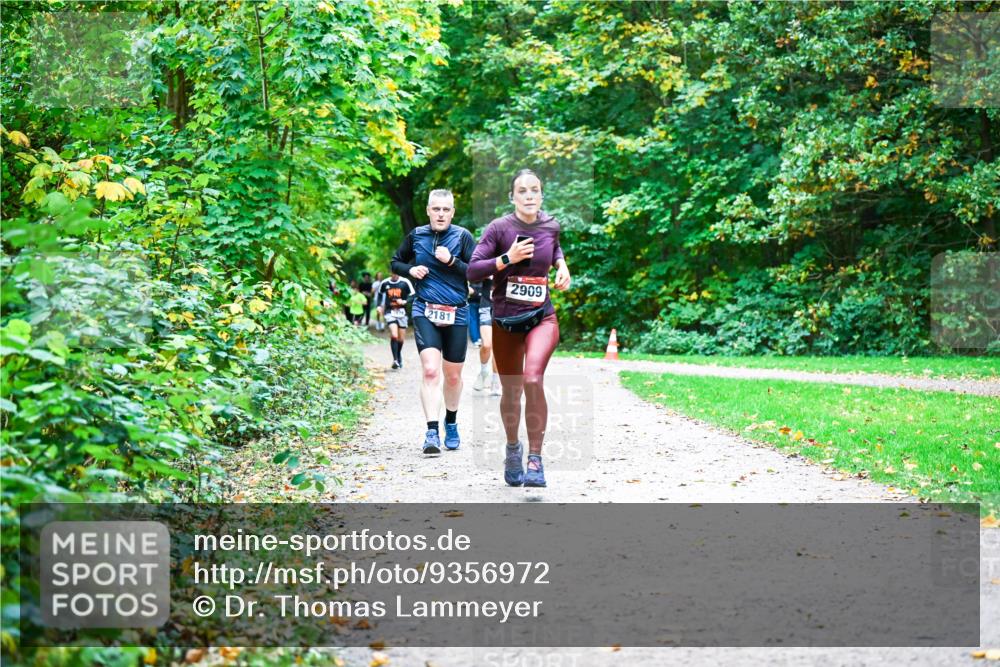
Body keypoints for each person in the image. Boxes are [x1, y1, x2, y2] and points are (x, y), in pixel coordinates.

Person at [467, 169, 571, 487]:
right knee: (511, 391)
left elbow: (553, 247)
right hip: (506, 321)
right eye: (522, 191)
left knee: (532, 378)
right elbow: (472, 270)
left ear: (541, 194)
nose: (529, 195)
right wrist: (506, 259)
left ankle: (535, 460)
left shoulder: (551, 224)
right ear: (512, 197)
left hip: (542, 317)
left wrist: (561, 265)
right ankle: (513, 448)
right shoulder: (499, 228)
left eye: (534, 190)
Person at [390, 189, 476, 455]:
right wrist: (410, 270)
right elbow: (396, 262)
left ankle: (451, 422)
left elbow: (477, 271)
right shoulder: (416, 235)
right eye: (436, 209)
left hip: (457, 312)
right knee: (430, 370)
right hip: (425, 309)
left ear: (452, 212)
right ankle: (431, 431)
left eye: (445, 209)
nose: (440, 214)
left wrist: (452, 261)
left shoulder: (462, 237)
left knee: (452, 376)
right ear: (428, 210)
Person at [376, 271, 415, 369]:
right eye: (392, 273)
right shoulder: (385, 283)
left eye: (396, 273)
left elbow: (413, 295)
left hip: (402, 312)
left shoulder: (405, 282)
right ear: (390, 273)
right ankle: (395, 360)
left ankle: (398, 355)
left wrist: (405, 301)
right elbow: (380, 294)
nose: (394, 275)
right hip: (390, 312)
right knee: (394, 335)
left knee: (401, 339)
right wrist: (379, 306)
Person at [470, 277, 501, 395]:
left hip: (504, 308)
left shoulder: (511, 262)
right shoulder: (487, 261)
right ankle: (483, 373)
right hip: (486, 306)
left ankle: (495, 380)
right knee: (487, 345)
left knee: (498, 347)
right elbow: (473, 275)